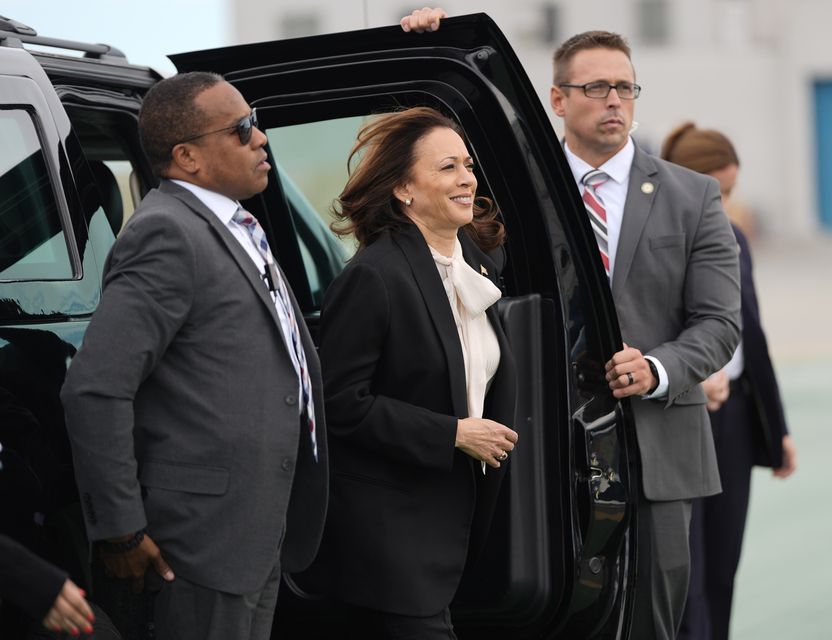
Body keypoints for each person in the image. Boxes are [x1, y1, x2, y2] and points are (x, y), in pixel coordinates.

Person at [402, 10, 741, 639]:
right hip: (538, 444)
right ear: (557, 99)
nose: (614, 101)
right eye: (595, 88)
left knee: (652, 621)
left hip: (658, 450)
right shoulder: (510, 187)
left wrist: (658, 368)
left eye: (625, 88)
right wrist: (430, 47)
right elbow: (428, 157)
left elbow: (720, 323)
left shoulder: (692, 197)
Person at [60, 72, 328, 640]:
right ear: (187, 157)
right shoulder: (166, 232)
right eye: (242, 129)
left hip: (254, 530)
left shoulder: (233, 223)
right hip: (200, 540)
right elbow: (96, 388)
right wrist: (122, 531)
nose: (261, 139)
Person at [311, 106, 518, 638]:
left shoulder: (473, 262)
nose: (468, 179)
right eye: (448, 168)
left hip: (453, 528)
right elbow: (337, 403)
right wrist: (452, 433)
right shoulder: (374, 276)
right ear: (404, 188)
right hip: (389, 539)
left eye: (468, 166)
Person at [660, 123, 797, 640]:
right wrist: (695, 381)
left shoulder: (734, 238)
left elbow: (753, 338)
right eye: (717, 191)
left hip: (734, 420)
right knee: (685, 572)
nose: (725, 204)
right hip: (680, 414)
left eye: (732, 192)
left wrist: (777, 429)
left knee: (723, 566)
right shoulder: (660, 236)